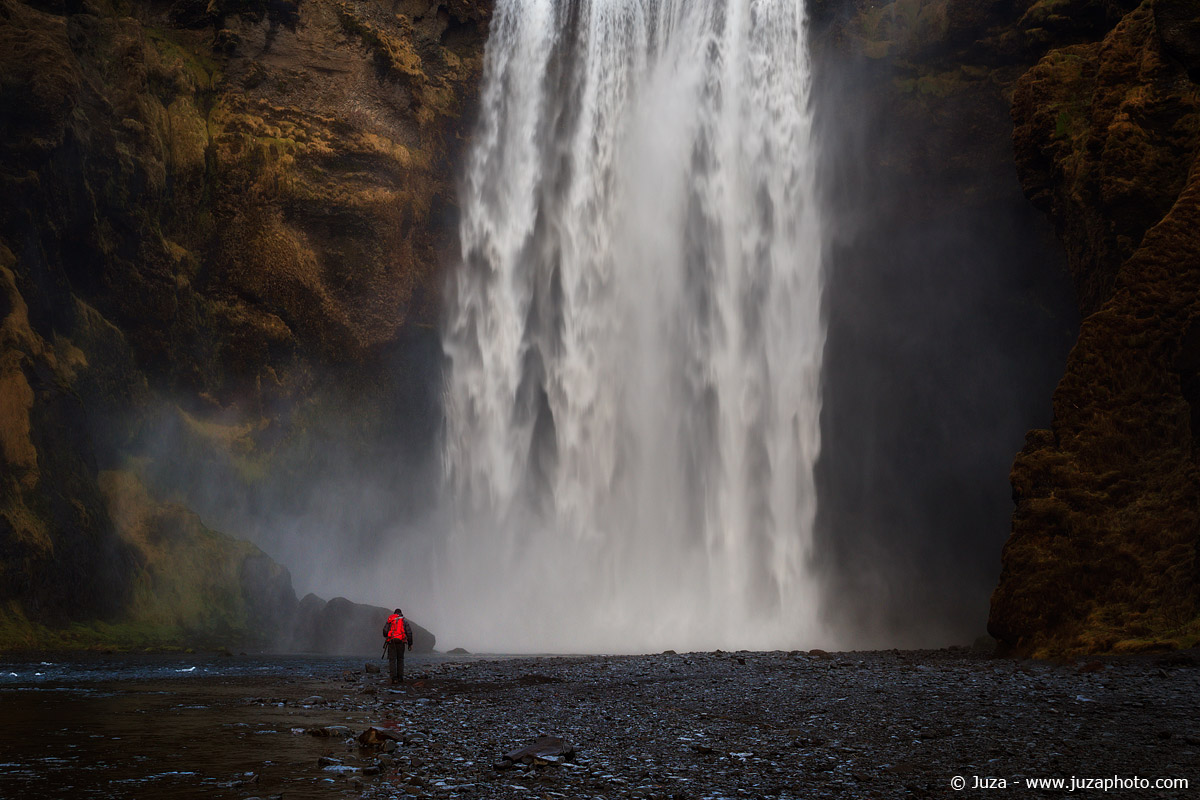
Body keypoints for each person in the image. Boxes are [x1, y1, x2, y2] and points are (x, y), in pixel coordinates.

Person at [382, 608, 414, 684]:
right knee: (400, 659)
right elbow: (409, 633)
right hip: (401, 642)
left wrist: (388, 636)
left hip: (391, 642)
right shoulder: (404, 621)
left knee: (392, 660)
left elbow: (385, 631)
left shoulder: (390, 621)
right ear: (401, 614)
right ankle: (400, 678)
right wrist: (410, 644)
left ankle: (394, 678)